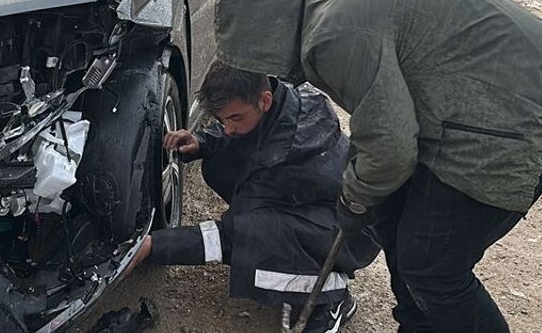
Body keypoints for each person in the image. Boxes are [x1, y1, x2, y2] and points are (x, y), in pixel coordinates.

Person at [212, 0, 542, 332]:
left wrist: (354, 199)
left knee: (432, 265)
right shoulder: (320, 2)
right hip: (492, 88)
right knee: (394, 214)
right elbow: (380, 118)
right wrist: (365, 190)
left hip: (525, 104)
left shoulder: (331, 37)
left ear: (266, 33)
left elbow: (391, 148)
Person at [128, 61, 380, 333]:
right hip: (333, 210)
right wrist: (202, 142)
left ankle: (331, 297)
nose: (227, 128)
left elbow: (233, 234)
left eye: (235, 118)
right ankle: (302, 256)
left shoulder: (282, 162)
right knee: (222, 164)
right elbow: (256, 134)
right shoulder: (284, 98)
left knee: (256, 234)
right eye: (222, 120)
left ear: (265, 100)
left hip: (353, 235)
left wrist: (154, 246)